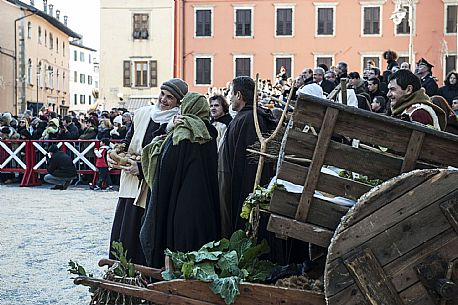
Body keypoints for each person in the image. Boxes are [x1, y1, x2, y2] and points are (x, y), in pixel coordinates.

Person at [109, 78, 187, 265]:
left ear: (178, 101)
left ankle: (143, 276)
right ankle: (122, 275)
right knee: (125, 228)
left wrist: (142, 169)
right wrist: (115, 154)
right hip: (129, 181)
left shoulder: (178, 122)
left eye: (170, 97)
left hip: (152, 184)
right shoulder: (143, 113)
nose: (164, 100)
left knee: (142, 229)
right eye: (163, 94)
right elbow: (128, 141)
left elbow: (168, 157)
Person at [139, 92, 220, 268]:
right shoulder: (209, 133)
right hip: (205, 203)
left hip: (181, 205)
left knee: (181, 253)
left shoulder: (182, 133)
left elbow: (167, 167)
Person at [218, 76, 277, 237]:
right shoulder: (246, 117)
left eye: (231, 93)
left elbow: (250, 164)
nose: (229, 97)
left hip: (243, 187)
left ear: (238, 94)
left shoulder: (250, 119)